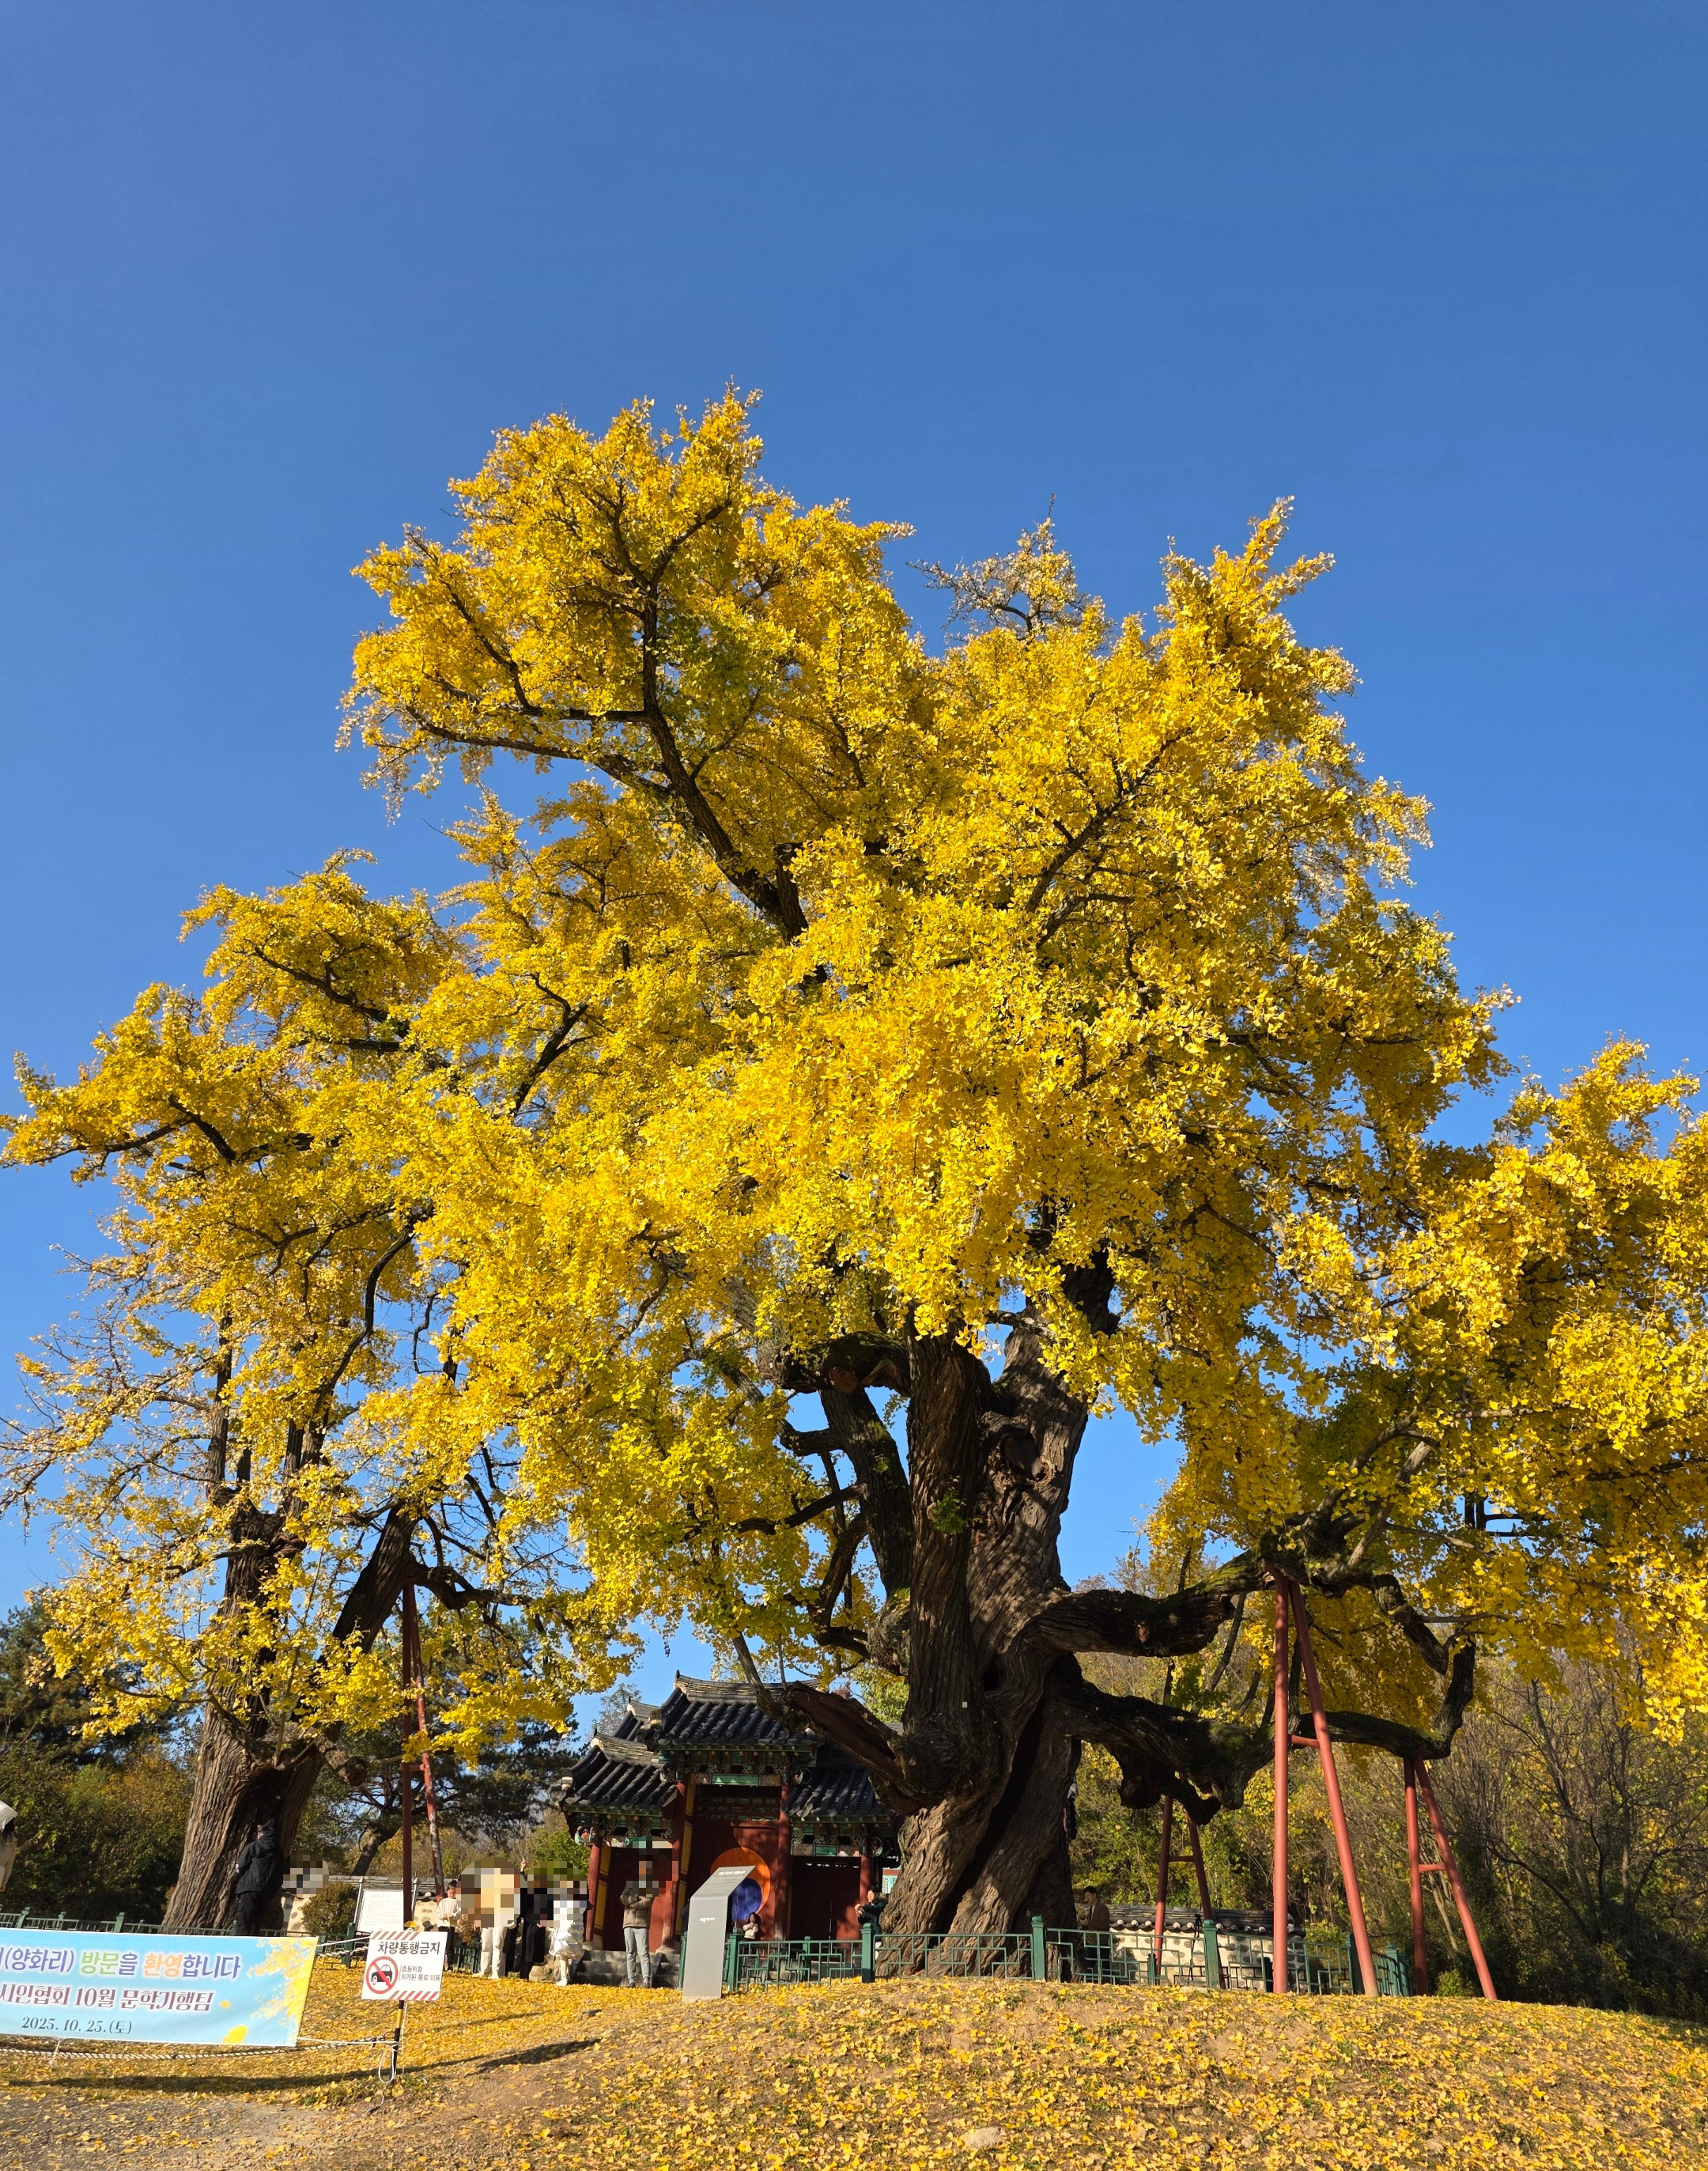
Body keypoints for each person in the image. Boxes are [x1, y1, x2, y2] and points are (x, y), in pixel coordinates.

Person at [232, 1819, 284, 1935]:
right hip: (267, 1890)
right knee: (257, 1920)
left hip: (250, 1887)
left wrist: (239, 1876)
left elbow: (240, 1866)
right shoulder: (279, 1851)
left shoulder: (254, 1846)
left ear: (261, 1833)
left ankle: (240, 1945)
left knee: (244, 1918)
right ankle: (253, 1943)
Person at [619, 1874, 656, 1988]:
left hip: (642, 1924)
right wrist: (636, 1897)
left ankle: (646, 1980)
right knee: (630, 1952)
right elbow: (623, 1898)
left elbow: (647, 1902)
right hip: (628, 1924)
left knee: (643, 1953)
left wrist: (632, 1904)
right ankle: (631, 1980)